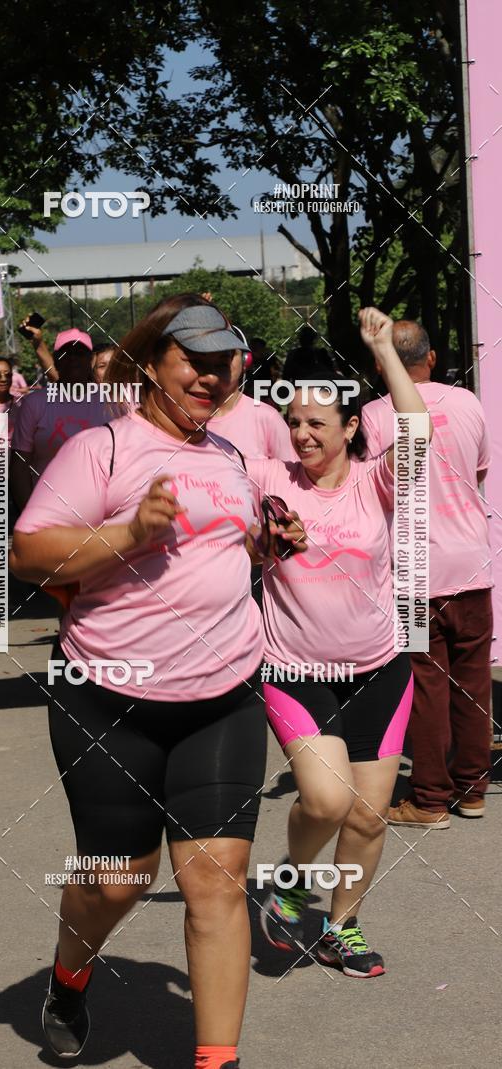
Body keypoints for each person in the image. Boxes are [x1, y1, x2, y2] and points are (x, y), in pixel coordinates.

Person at [10, 294, 269, 1069]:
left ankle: (216, 1060)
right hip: (109, 699)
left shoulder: (229, 454)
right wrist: (128, 533)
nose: (212, 375)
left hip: (222, 696)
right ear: (153, 364)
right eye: (194, 358)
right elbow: (27, 557)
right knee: (117, 881)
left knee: (217, 885)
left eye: (225, 363)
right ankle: (69, 972)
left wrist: (271, 544)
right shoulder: (104, 451)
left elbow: (232, 552)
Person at [250, 308, 432, 977]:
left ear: (352, 427)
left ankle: (341, 925)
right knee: (326, 800)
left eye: (316, 424)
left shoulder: (377, 480)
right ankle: (293, 883)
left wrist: (384, 349)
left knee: (368, 817)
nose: (300, 434)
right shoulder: (270, 478)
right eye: (293, 421)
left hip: (379, 669)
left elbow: (416, 429)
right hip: (295, 668)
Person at [361, 321, 493, 827]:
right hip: (472, 563)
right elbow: (478, 474)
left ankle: (431, 798)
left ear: (380, 364)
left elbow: (373, 494)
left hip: (413, 572)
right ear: (432, 358)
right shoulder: (468, 403)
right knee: (473, 681)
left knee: (426, 683)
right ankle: (473, 790)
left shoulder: (374, 416)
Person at [9, 329, 115, 512]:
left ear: (90, 360)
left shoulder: (114, 403)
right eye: (67, 354)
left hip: (103, 517)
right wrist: (29, 516)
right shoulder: (34, 404)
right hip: (50, 516)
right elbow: (19, 465)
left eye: (80, 354)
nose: (73, 359)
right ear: (56, 360)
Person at [206, 328, 294, 461]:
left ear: (245, 360)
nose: (217, 363)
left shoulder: (268, 418)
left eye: (226, 355)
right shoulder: (182, 419)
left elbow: (292, 477)